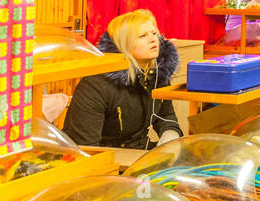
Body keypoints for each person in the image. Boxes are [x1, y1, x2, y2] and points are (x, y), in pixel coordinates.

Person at [64, 9, 182, 149]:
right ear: (124, 44)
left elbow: (165, 115)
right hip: (106, 157)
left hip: (140, 150)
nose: (153, 39)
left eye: (154, 33)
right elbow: (86, 147)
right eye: (143, 35)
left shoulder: (157, 76)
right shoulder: (95, 85)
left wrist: (170, 134)